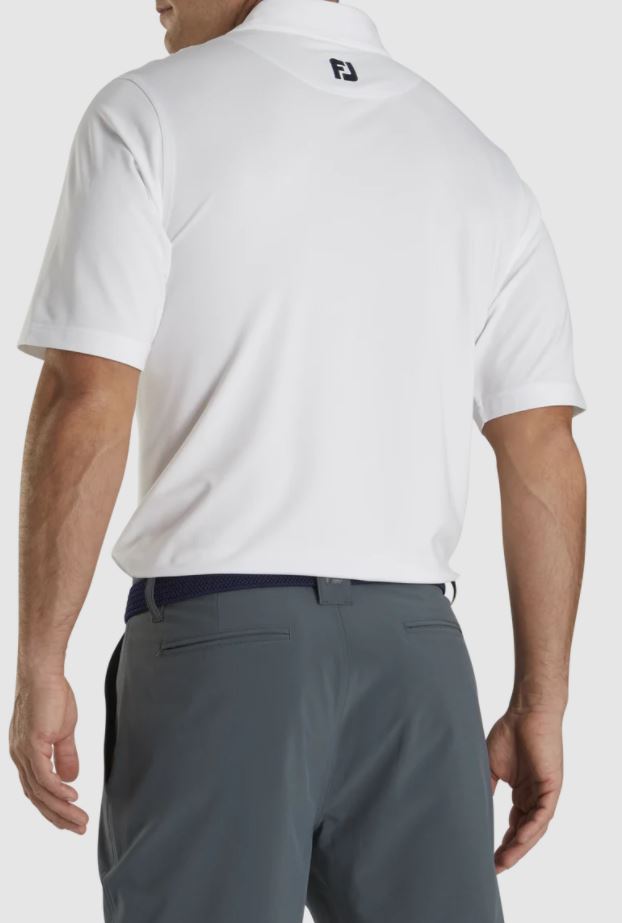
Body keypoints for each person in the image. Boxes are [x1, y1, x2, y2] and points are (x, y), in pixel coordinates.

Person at [9, 1, 587, 921]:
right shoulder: (476, 161)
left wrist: (41, 658)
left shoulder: (148, 114)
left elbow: (88, 396)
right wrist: (540, 702)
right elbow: (543, 445)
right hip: (420, 663)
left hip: (219, 648)